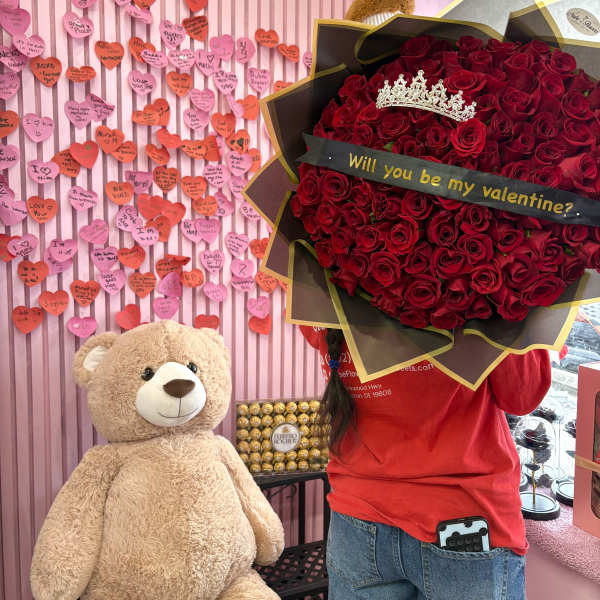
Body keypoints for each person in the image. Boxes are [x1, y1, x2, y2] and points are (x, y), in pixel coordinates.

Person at [300, 326, 551, 600]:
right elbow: (522, 394)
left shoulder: (316, 297)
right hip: (464, 512)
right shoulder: (478, 299)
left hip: (358, 516)